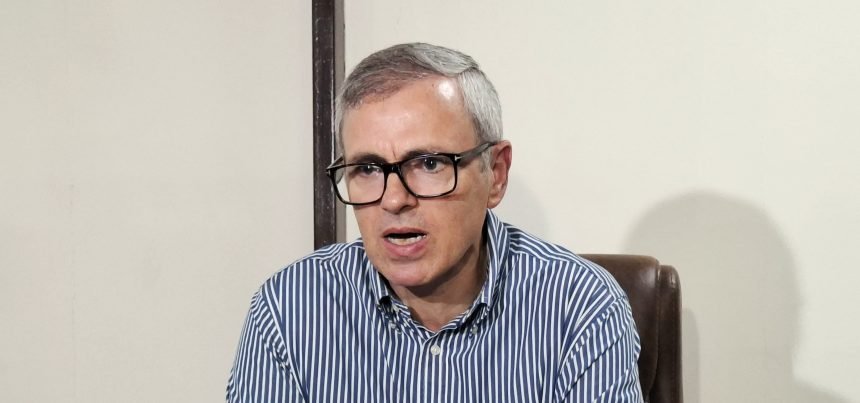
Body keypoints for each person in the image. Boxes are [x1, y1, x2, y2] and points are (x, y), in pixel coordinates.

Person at [226, 42, 643, 403]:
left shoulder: (579, 307)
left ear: (496, 174)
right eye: (367, 168)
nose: (394, 199)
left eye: (429, 163)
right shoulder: (289, 310)